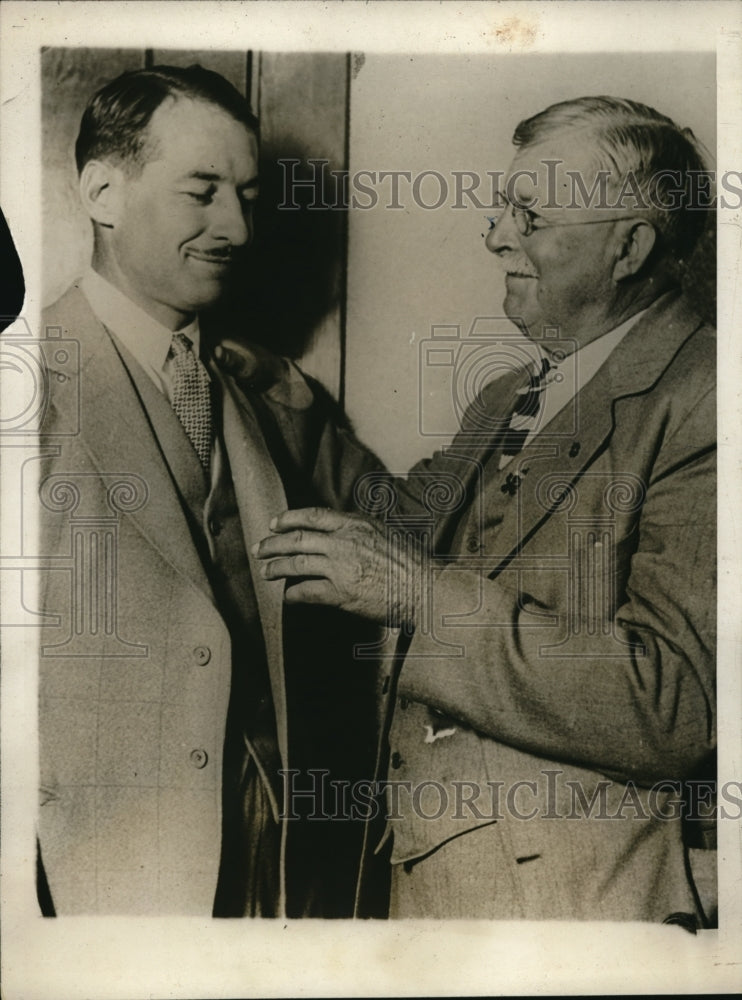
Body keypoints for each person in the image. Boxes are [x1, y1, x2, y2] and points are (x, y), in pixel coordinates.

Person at [254, 97, 717, 924]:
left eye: (529, 215)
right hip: (447, 893)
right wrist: (284, 401)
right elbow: (399, 521)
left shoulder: (712, 395)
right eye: (502, 210)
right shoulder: (517, 391)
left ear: (630, 247)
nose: (496, 235)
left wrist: (420, 598)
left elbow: (672, 701)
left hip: (574, 914)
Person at [35, 64, 382, 917]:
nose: (236, 225)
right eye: (203, 192)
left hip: (273, 861)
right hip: (87, 875)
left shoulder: (264, 389)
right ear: (104, 191)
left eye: (248, 197)